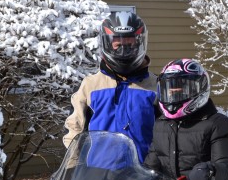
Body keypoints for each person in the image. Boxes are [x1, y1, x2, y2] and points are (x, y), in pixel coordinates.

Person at [63, 11, 157, 162]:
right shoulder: (90, 85)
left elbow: (167, 135)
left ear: (140, 43)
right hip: (98, 175)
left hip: (144, 174)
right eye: (118, 45)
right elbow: (74, 131)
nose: (124, 50)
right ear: (107, 44)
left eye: (129, 45)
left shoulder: (155, 86)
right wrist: (72, 171)